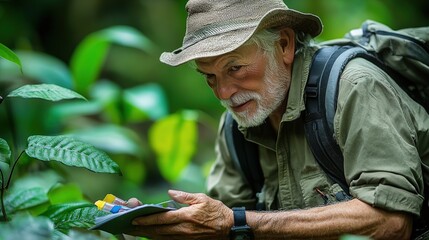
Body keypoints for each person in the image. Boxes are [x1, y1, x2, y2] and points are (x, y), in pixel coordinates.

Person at [125, 0, 429, 239]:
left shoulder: (355, 88)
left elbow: (391, 223)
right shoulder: (237, 124)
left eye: (235, 69)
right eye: (210, 77)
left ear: (284, 45)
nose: (224, 93)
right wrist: (167, 224)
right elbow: (218, 223)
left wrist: (240, 223)